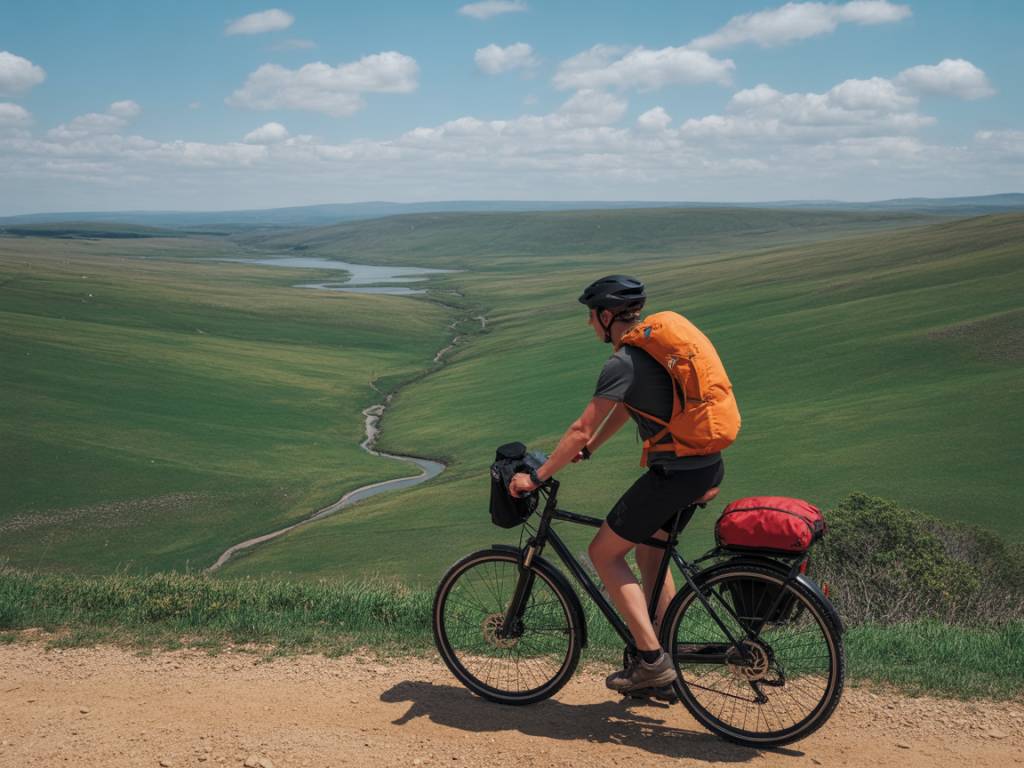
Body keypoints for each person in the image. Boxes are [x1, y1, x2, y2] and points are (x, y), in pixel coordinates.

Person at [508, 275, 728, 694]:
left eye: (592, 316)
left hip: (675, 476)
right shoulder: (649, 351)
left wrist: (537, 476)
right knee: (649, 549)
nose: (589, 324)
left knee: (603, 553)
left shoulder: (624, 361)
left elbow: (580, 427)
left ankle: (652, 662)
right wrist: (590, 450)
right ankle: (665, 648)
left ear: (607, 316)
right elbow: (627, 409)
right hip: (704, 467)